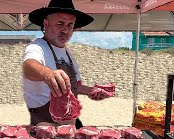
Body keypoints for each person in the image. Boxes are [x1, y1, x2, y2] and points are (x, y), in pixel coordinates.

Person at [23, 0, 110, 128]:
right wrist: (48, 74)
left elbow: (75, 86)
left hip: (70, 120)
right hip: (45, 122)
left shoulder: (67, 53)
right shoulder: (37, 46)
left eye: (70, 25)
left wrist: (92, 91)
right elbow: (29, 67)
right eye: (60, 23)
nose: (66, 29)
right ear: (46, 24)